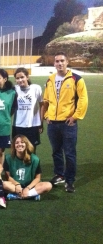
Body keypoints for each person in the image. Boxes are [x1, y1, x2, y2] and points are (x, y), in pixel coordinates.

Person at [42, 52, 88, 193]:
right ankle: (59, 174)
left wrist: (75, 117)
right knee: (56, 151)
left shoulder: (76, 79)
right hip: (53, 124)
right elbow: (46, 100)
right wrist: (46, 115)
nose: (59, 63)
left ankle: (69, 181)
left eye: (62, 61)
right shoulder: (50, 80)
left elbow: (83, 99)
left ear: (67, 62)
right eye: (57, 61)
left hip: (68, 124)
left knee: (69, 153)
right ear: (54, 63)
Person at [3, 135, 52, 200]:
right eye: (17, 143)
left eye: (22, 142)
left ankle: (19, 195)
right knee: (4, 184)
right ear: (14, 146)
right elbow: (8, 177)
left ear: (26, 144)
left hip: (30, 186)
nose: (19, 144)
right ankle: (31, 195)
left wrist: (28, 188)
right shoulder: (8, 158)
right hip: (14, 185)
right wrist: (17, 184)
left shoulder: (35, 159)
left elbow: (38, 178)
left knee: (48, 185)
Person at [13, 67, 43, 152]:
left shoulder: (36, 88)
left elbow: (42, 105)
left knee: (32, 150)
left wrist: (40, 122)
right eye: (17, 78)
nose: (20, 80)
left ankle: (32, 165)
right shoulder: (14, 89)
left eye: (22, 77)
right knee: (18, 150)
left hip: (32, 125)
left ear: (27, 77)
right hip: (18, 125)